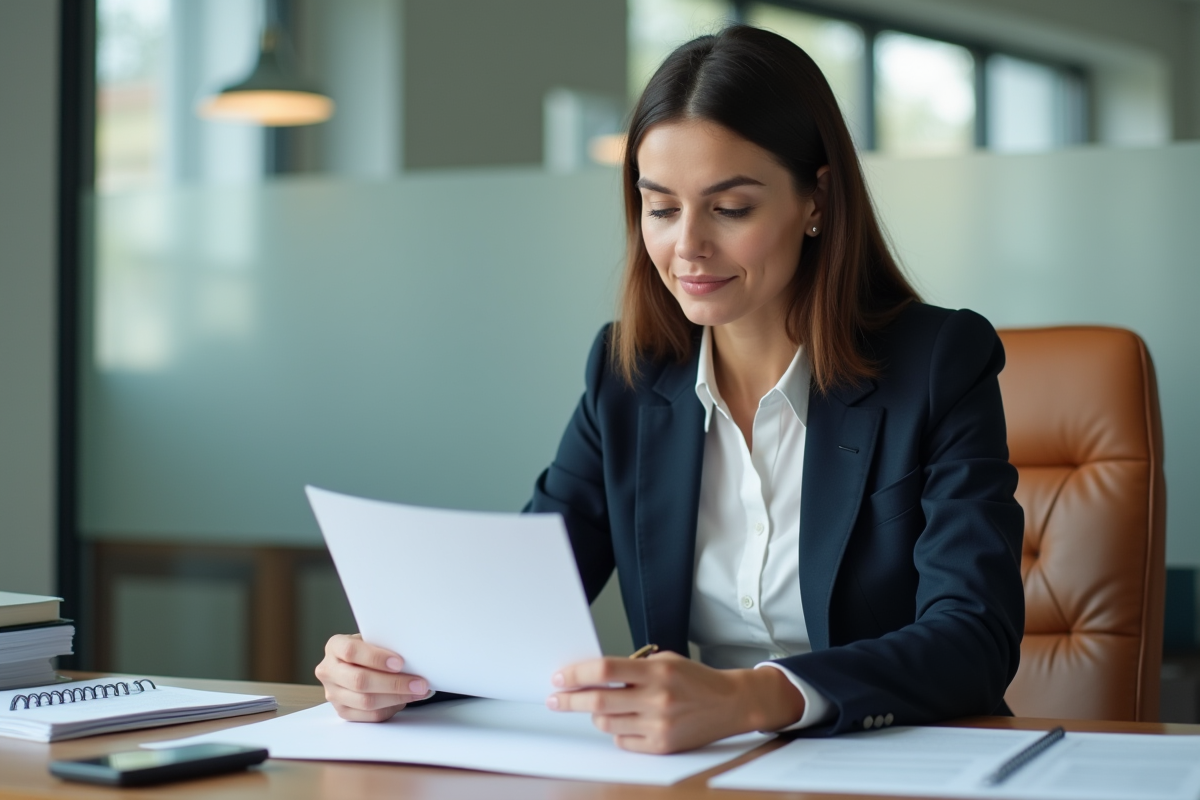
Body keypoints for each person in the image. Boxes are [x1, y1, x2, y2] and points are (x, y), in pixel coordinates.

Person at [314, 25, 1025, 754]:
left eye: (731, 208)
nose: (687, 246)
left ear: (817, 198)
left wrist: (750, 697)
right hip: (689, 771)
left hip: (893, 767)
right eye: (660, 207)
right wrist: (393, 668)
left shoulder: (938, 362)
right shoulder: (629, 376)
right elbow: (517, 609)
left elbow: (973, 637)